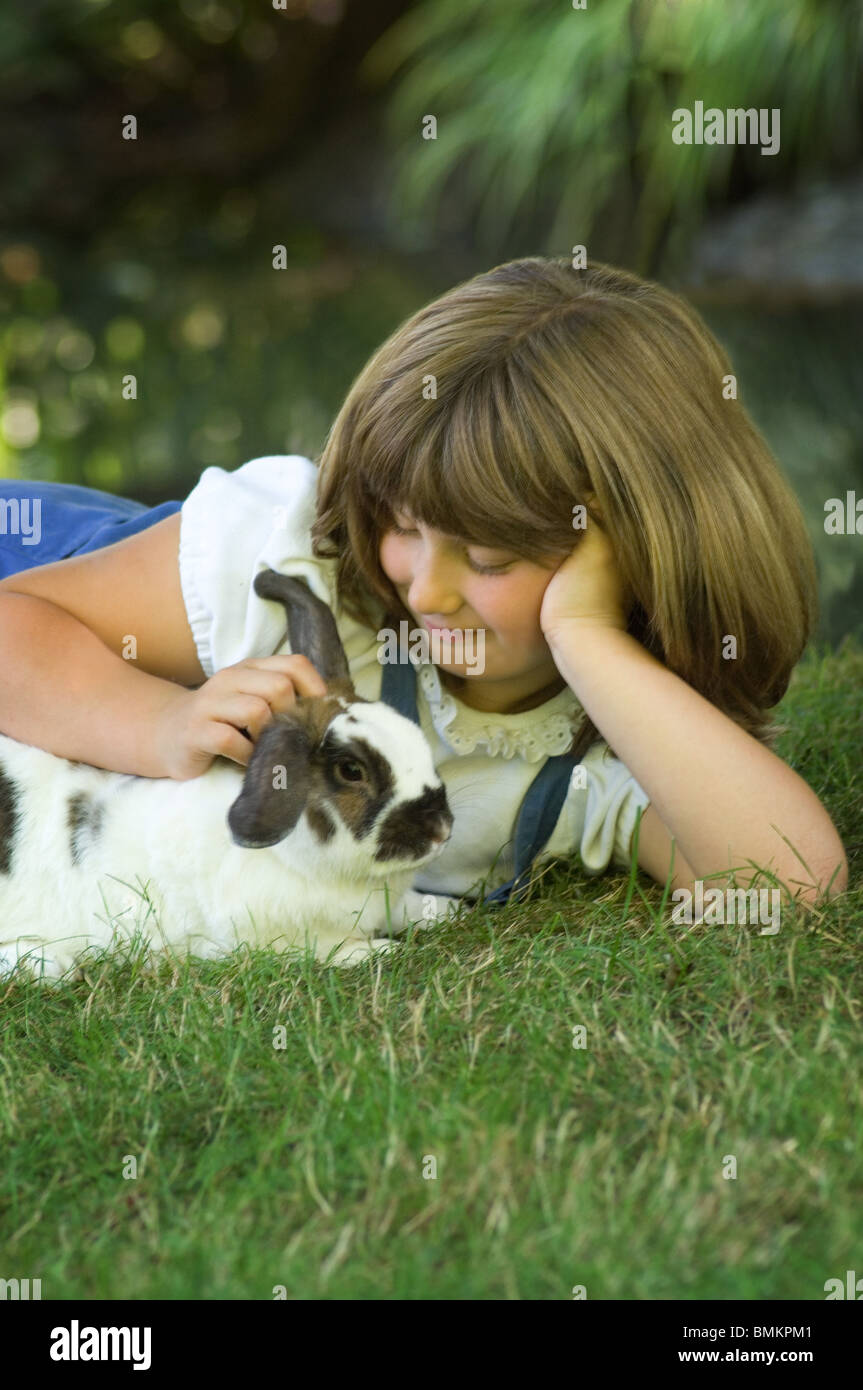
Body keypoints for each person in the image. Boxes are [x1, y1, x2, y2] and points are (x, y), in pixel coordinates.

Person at [0, 257, 848, 915]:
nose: (427, 591)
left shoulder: (612, 750)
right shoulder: (296, 563)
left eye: (488, 561)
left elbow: (790, 884)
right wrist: (159, 721)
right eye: (402, 525)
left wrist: (587, 639)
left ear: (639, 554)